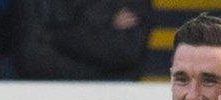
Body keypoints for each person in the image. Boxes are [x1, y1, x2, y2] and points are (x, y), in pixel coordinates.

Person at [15, 0, 152, 80]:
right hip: (51, 92)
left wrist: (58, 37)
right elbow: (35, 59)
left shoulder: (132, 3)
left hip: (116, 93)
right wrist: (106, 28)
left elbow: (125, 51)